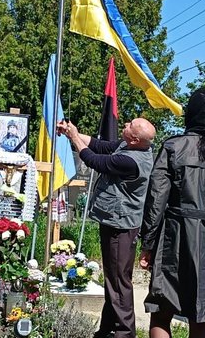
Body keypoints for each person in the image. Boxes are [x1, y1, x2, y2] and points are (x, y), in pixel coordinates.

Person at [139, 88, 205, 338]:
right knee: (202, 314)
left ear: (190, 114)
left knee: (162, 309)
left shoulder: (172, 147)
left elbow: (156, 200)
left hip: (175, 238)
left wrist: (147, 244)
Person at [58, 117, 157, 338]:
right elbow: (99, 145)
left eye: (130, 126)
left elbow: (95, 160)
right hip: (114, 222)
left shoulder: (132, 161)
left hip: (120, 226)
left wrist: (73, 138)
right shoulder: (130, 146)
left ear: (134, 139)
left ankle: (124, 333)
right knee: (113, 278)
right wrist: (72, 131)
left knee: (119, 281)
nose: (125, 124)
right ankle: (107, 330)